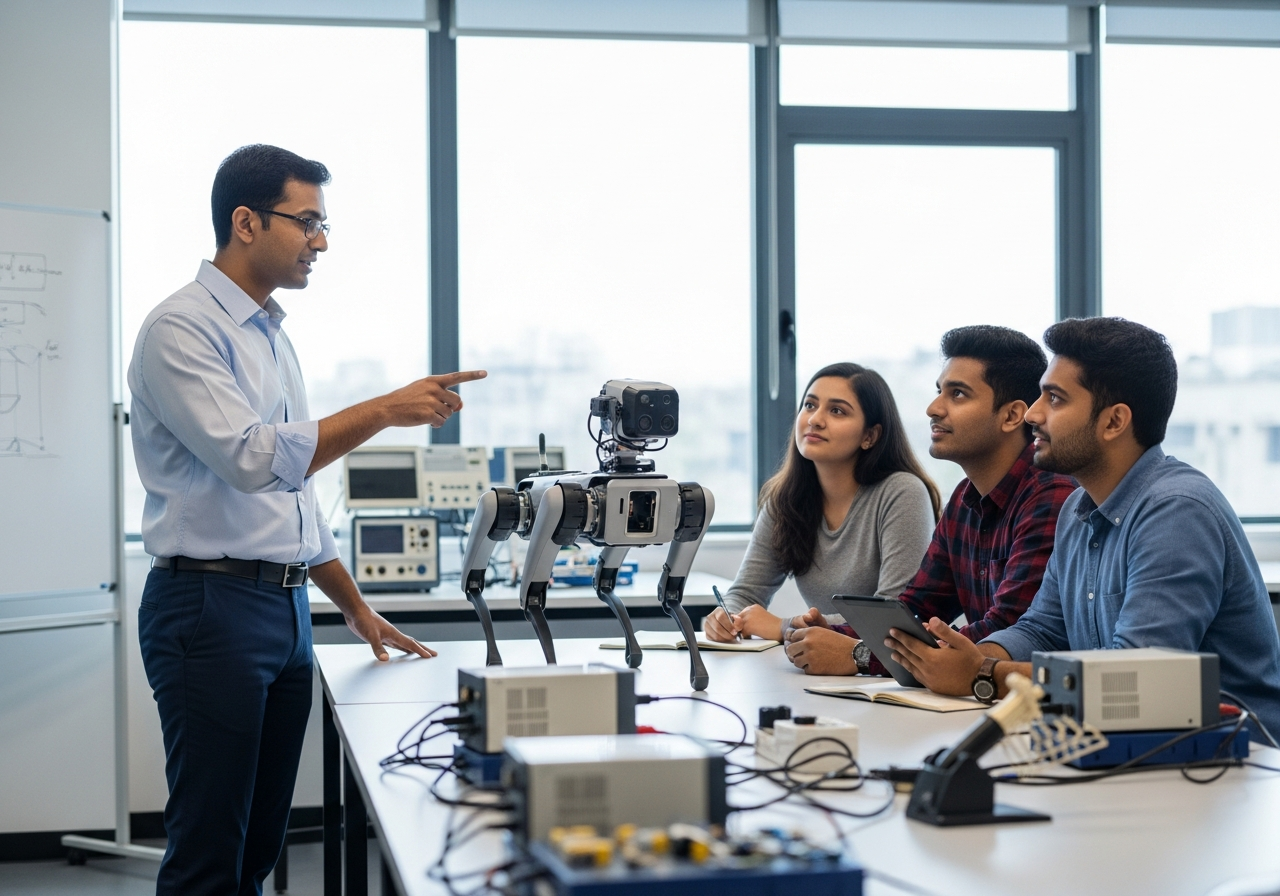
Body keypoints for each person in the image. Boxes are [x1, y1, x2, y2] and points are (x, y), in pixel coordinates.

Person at [128, 144, 486, 896]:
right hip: (210, 605)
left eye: (324, 225)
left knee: (260, 844)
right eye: (307, 222)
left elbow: (294, 496)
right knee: (209, 851)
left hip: (283, 610)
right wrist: (384, 410)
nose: (321, 242)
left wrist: (354, 608)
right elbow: (253, 459)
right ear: (246, 222)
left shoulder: (270, 335)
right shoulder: (181, 329)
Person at [886, 318, 1280, 737]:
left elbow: (1134, 679)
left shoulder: (1176, 512)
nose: (1033, 413)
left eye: (1055, 399)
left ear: (1113, 422)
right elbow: (1041, 630)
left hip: (1232, 757)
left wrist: (982, 674)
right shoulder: (1078, 508)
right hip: (1125, 742)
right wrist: (968, 659)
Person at [783, 325, 1077, 676]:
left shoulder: (1051, 495)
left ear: (1012, 416)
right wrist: (835, 634)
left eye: (958, 394)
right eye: (940, 391)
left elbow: (1004, 632)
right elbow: (916, 607)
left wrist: (859, 653)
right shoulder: (964, 499)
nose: (933, 409)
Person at [702, 363, 940, 644]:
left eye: (837, 410)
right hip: (820, 662)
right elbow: (745, 593)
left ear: (870, 436)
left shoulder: (902, 493)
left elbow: (893, 614)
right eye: (810, 405)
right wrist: (727, 617)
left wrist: (783, 627)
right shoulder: (784, 499)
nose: (815, 419)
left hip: (889, 664)